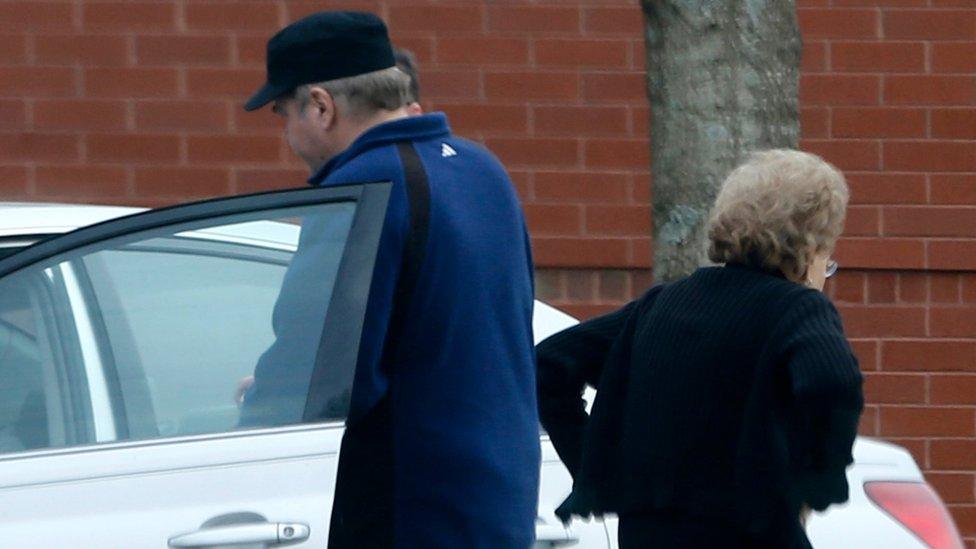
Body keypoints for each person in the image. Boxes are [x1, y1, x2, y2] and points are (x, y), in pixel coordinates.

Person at [240, 11, 539, 549]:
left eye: (284, 113)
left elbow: (328, 362)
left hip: (408, 511)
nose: (287, 133)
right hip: (498, 499)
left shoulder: (364, 188)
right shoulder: (481, 168)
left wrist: (265, 403)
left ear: (321, 106)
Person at [536, 150, 864, 548]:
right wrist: (818, 481)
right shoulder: (797, 310)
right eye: (827, 259)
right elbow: (833, 380)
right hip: (748, 532)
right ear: (810, 247)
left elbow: (549, 365)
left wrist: (598, 468)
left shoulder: (662, 305)